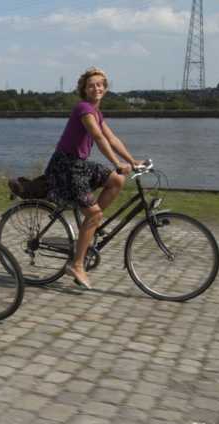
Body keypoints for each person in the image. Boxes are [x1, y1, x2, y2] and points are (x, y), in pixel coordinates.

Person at [44, 67, 142, 290]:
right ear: (84, 90)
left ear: (105, 88)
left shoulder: (97, 112)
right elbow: (97, 137)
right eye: (91, 85)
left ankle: (91, 227)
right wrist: (118, 164)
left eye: (100, 84)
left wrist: (133, 161)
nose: (96, 88)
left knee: (117, 181)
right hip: (65, 167)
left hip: (79, 165)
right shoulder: (83, 109)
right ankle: (77, 265)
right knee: (95, 213)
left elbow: (111, 138)